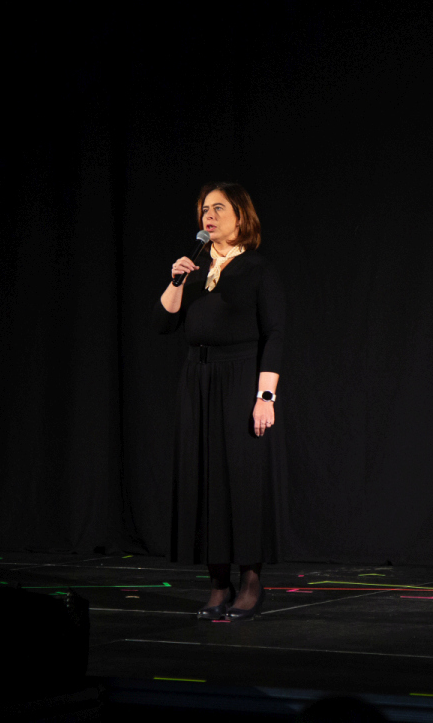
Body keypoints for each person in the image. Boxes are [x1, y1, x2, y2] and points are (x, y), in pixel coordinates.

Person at [157, 181, 286, 621]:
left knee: (241, 479)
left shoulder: (257, 269)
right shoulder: (193, 268)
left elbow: (275, 334)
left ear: (240, 217)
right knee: (203, 477)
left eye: (218, 209)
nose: (208, 216)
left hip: (240, 378)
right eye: (204, 210)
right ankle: (217, 583)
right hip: (197, 379)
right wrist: (176, 281)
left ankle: (250, 582)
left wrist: (264, 396)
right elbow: (163, 323)